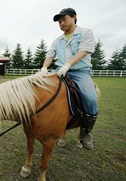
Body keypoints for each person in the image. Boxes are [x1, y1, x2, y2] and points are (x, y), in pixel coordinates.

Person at [40, 8, 97, 150]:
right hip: (59, 71)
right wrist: (44, 68)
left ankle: (86, 132)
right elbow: (50, 55)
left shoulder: (86, 33)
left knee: (90, 97)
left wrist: (68, 65)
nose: (61, 23)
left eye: (64, 19)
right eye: (59, 22)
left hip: (80, 72)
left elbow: (83, 51)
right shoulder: (57, 40)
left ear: (74, 17)